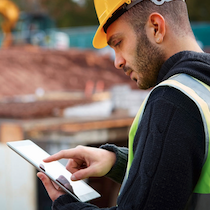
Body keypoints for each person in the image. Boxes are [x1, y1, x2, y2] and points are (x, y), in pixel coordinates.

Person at [37, 0, 210, 209]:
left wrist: (66, 205)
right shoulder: (202, 88)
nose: (117, 62)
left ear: (156, 27)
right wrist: (115, 162)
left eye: (118, 43)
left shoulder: (172, 102)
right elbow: (182, 169)